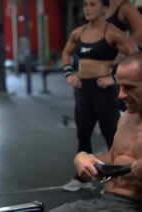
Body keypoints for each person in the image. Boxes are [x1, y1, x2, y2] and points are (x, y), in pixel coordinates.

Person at [50, 52, 142, 212]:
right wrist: (86, 159)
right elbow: (114, 158)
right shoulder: (127, 117)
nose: (120, 95)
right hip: (104, 200)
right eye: (119, 86)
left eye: (129, 87)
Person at [61, 0, 137, 192]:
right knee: (82, 134)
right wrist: (69, 74)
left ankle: (115, 180)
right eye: (86, 4)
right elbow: (66, 53)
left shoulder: (112, 32)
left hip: (104, 91)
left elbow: (134, 54)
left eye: (93, 4)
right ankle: (81, 178)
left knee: (111, 134)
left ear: (104, 9)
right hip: (83, 90)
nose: (87, 8)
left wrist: (113, 78)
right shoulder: (78, 33)